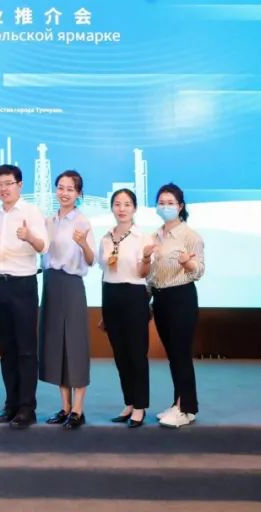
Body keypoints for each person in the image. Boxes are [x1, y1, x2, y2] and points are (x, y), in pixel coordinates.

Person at [0, 164, 48, 429]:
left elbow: (43, 246)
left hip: (23, 284)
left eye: (8, 183)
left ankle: (27, 408)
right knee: (6, 349)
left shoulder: (31, 211)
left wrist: (29, 236)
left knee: (25, 349)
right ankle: (11, 403)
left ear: (20, 185)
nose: (3, 189)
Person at [40, 170, 96, 430]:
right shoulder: (48, 221)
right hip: (50, 283)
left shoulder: (82, 221)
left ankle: (78, 410)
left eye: (70, 189)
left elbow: (91, 260)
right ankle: (64, 407)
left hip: (72, 284)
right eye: (60, 188)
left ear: (78, 194)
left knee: (75, 344)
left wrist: (83, 244)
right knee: (56, 345)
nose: (64, 193)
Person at [147, 182, 206, 429]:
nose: (165, 206)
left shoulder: (190, 236)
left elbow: (199, 271)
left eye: (170, 203)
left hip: (181, 297)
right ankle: (179, 403)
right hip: (160, 298)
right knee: (173, 355)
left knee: (181, 354)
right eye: (161, 202)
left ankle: (187, 408)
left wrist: (186, 263)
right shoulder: (154, 236)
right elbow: (151, 272)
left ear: (180, 206)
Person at [97, 188, 152, 428]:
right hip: (111, 295)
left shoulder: (143, 237)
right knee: (120, 355)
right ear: (112, 208)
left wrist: (147, 258)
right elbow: (105, 271)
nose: (122, 209)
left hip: (134, 295)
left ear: (135, 208)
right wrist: (104, 310)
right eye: (117, 204)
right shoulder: (105, 238)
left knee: (136, 353)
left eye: (127, 204)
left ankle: (140, 406)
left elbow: (143, 273)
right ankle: (129, 402)